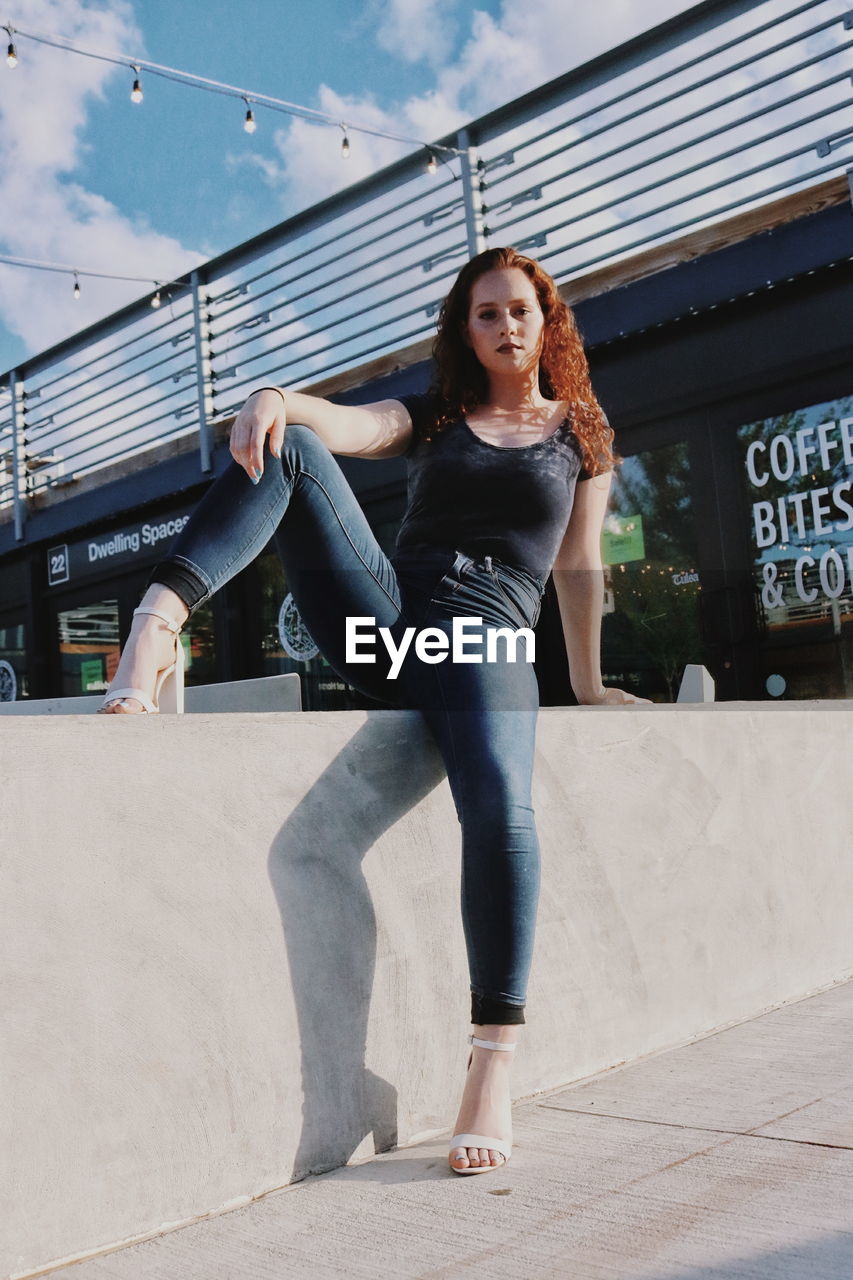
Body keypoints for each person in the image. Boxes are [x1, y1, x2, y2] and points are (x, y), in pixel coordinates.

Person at [98, 245, 649, 1175]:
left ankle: (490, 1062)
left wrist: (586, 684)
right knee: (297, 450)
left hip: (485, 633)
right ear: (464, 328)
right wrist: (275, 394)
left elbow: (577, 566)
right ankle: (158, 624)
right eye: (485, 313)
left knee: (499, 810)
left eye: (519, 310)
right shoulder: (435, 412)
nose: (504, 326)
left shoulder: (579, 433)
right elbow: (344, 428)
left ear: (547, 321)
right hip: (388, 618)